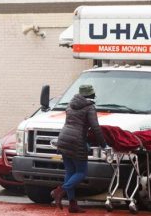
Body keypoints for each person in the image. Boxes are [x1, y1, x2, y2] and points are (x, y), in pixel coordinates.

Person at [50, 84, 107, 213]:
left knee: (70, 172)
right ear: (90, 95)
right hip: (77, 141)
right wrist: (104, 144)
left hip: (63, 139)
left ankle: (72, 204)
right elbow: (96, 128)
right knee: (81, 173)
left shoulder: (70, 105)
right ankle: (60, 191)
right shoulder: (89, 107)